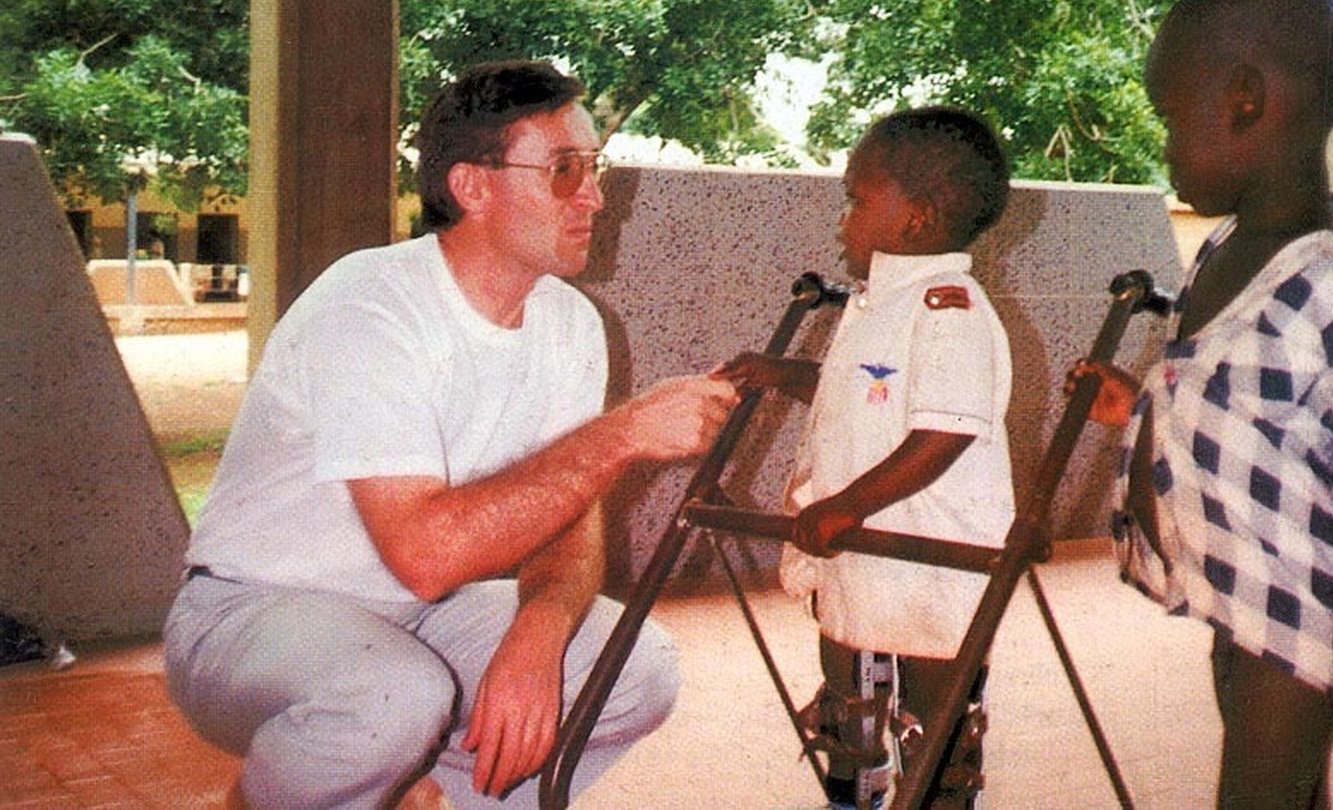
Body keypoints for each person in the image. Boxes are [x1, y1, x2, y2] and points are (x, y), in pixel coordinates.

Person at [163, 60, 740, 809]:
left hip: (420, 618)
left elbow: (568, 521)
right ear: (472, 187)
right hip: (252, 615)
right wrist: (620, 434)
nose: (596, 197)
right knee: (392, 697)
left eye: (596, 167)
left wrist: (538, 632)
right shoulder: (370, 306)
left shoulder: (570, 323)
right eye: (565, 170)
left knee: (633, 669)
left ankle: (417, 790)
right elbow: (426, 556)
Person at [1074, 0, 1333, 809]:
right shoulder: (1226, 254)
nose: (1167, 146)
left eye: (1171, 119)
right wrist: (1135, 411)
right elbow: (1228, 398)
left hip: (1301, 613)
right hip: (1238, 594)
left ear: (1244, 100)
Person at [717, 108, 1013, 810]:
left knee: (935, 712)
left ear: (916, 218)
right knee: (850, 681)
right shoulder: (879, 301)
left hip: (930, 553)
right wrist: (788, 374)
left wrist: (848, 503)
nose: (842, 217)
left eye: (855, 199)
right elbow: (861, 394)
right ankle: (853, 792)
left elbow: (944, 431)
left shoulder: (951, 309)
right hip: (863, 550)